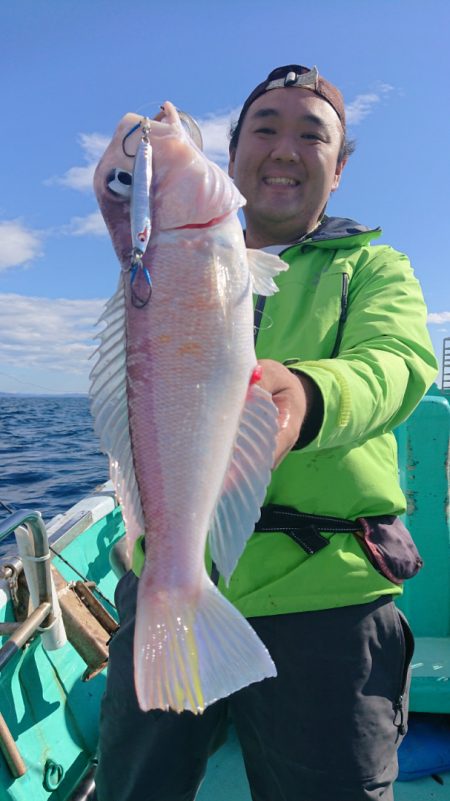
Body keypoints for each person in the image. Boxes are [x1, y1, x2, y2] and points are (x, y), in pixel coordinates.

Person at [95, 64, 438, 801]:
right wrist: (130, 214)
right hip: (168, 581)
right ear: (231, 154)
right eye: (266, 128)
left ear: (340, 170)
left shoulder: (373, 267)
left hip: (326, 603)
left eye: (313, 135)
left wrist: (310, 395)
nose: (286, 147)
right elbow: (146, 364)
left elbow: (398, 364)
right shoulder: (168, 252)